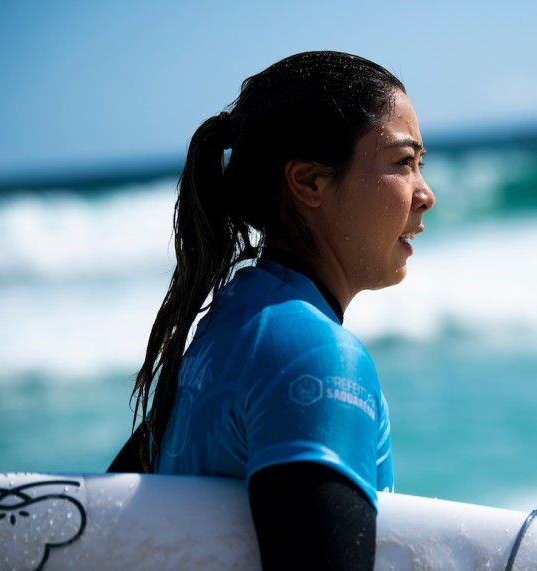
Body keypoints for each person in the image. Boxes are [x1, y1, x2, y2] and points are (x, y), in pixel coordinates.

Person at [108, 51, 435, 569]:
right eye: (402, 163)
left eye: (420, 165)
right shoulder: (315, 357)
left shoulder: (226, 326)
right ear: (309, 182)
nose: (425, 194)